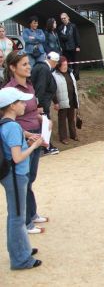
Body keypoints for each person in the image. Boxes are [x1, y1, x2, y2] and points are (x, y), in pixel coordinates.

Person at [3, 50, 49, 234]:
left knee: (31, 177)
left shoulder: (29, 85)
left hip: (36, 134)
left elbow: (32, 111)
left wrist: (43, 120)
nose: (29, 66)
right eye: (24, 64)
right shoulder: (8, 91)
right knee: (24, 178)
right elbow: (8, 119)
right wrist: (27, 134)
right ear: (13, 68)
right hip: (22, 138)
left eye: (28, 63)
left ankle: (32, 213)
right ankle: (27, 220)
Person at [0, 87, 44, 269]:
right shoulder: (12, 127)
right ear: (11, 106)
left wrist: (27, 142)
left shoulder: (6, 124)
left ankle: (22, 250)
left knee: (15, 216)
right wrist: (35, 146)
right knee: (17, 218)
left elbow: (13, 152)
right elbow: (17, 158)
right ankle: (20, 259)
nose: (24, 105)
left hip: (12, 175)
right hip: (16, 176)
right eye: (21, 102)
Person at [31, 51, 60, 155]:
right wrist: (39, 105)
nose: (56, 65)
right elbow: (40, 87)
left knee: (43, 125)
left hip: (43, 102)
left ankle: (45, 146)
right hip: (42, 104)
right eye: (56, 63)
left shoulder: (42, 67)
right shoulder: (44, 69)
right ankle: (46, 146)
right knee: (45, 125)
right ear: (53, 62)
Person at [52, 56, 79, 144]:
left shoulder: (70, 73)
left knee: (72, 118)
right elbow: (52, 90)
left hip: (72, 99)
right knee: (62, 120)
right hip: (62, 101)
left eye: (66, 64)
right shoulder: (54, 75)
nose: (65, 66)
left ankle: (73, 135)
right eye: (63, 65)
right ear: (59, 65)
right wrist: (55, 102)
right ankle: (63, 137)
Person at [58, 13, 80, 80]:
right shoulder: (60, 27)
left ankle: (76, 76)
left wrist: (78, 46)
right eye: (62, 19)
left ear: (68, 18)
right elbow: (60, 38)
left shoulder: (73, 26)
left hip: (73, 47)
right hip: (65, 48)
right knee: (67, 63)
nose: (63, 19)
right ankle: (69, 75)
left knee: (75, 62)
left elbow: (76, 36)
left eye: (64, 18)